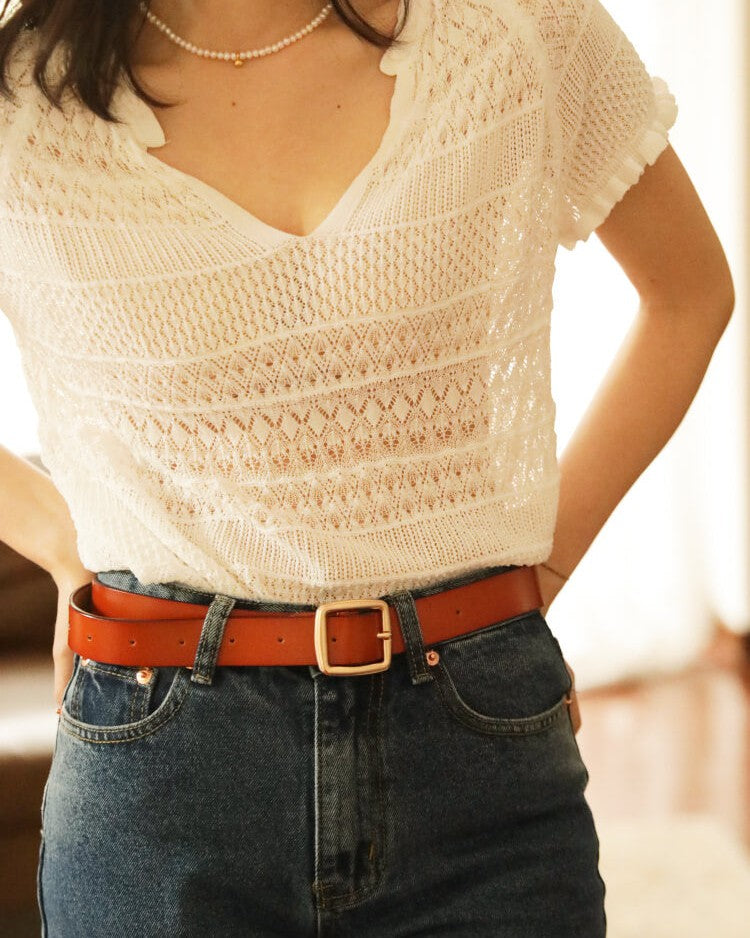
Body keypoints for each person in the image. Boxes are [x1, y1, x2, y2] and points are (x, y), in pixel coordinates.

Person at [0, 0, 733, 934]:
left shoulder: (519, 31)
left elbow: (690, 294)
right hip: (160, 776)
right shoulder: (21, 101)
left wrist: (540, 570)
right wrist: (59, 536)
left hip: (479, 753)